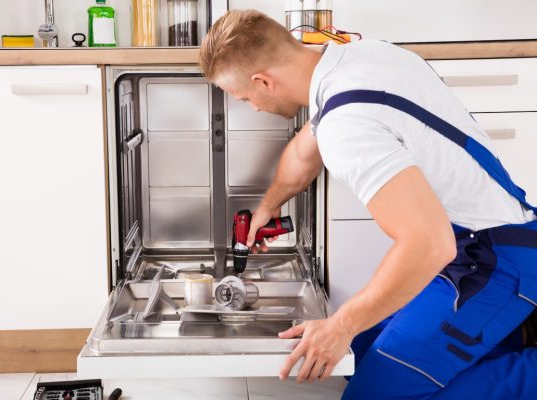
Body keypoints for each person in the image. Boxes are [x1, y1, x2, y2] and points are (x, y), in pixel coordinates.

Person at [200, 9, 537, 400]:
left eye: (245, 97)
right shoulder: (357, 59)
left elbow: (429, 244)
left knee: (371, 393)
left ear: (264, 81)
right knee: (356, 357)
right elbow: (305, 155)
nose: (253, 107)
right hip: (478, 245)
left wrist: (340, 325)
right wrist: (268, 206)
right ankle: (508, 338)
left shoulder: (347, 126)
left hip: (492, 260)